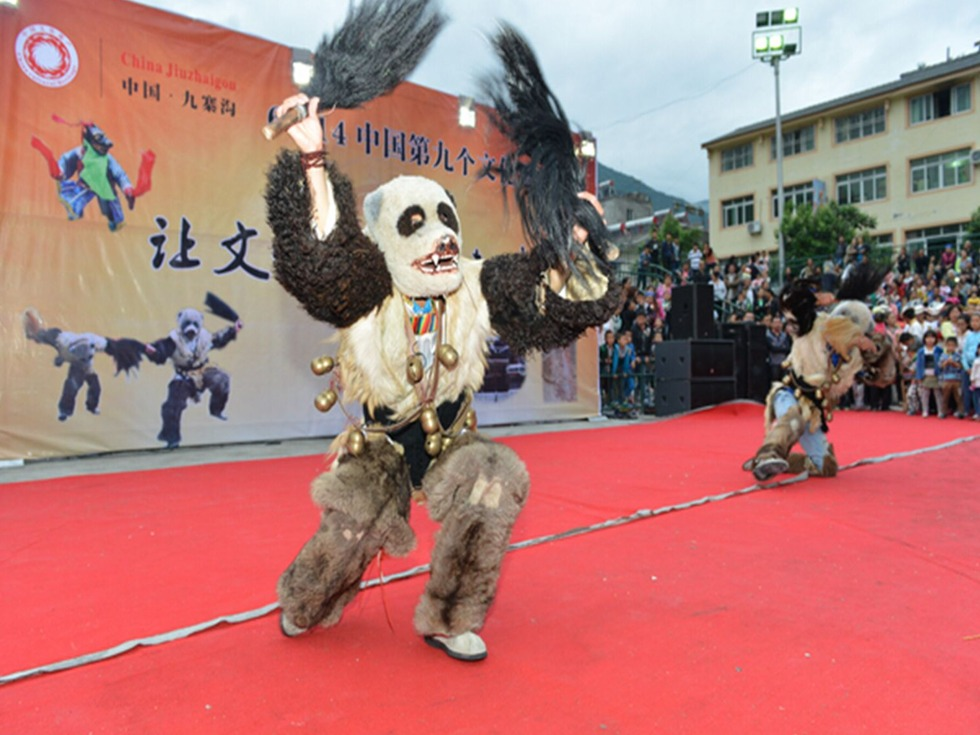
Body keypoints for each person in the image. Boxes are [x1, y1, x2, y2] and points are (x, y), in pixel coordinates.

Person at [914, 330, 943, 418]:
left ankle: (940, 411)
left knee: (938, 394)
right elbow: (918, 364)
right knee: (925, 394)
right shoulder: (921, 351)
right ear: (924, 339)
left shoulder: (938, 350)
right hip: (925, 374)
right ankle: (925, 410)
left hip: (936, 374)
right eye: (928, 338)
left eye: (932, 338)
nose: (930, 340)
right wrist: (918, 376)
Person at [939, 336, 965, 418]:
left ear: (956, 346)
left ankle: (961, 411)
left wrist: (953, 363)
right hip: (946, 379)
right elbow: (941, 366)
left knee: (958, 396)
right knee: (945, 396)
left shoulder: (958, 355)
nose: (951, 347)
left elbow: (960, 366)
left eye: (953, 345)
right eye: (949, 345)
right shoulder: (943, 355)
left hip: (956, 379)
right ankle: (943, 411)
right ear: (946, 345)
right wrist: (946, 362)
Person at [963, 312, 980, 420]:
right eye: (972, 321)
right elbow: (964, 353)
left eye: (977, 320)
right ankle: (967, 410)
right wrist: (966, 367)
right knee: (968, 390)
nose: (974, 323)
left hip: (978, 366)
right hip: (969, 366)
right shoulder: (968, 336)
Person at [765, 316, 791, 383]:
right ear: (771, 324)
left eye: (779, 322)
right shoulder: (768, 335)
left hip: (784, 362)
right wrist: (782, 348)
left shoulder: (785, 336)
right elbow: (772, 348)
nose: (778, 324)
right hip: (773, 363)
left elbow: (788, 348)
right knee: (775, 381)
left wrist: (778, 348)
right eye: (775, 322)